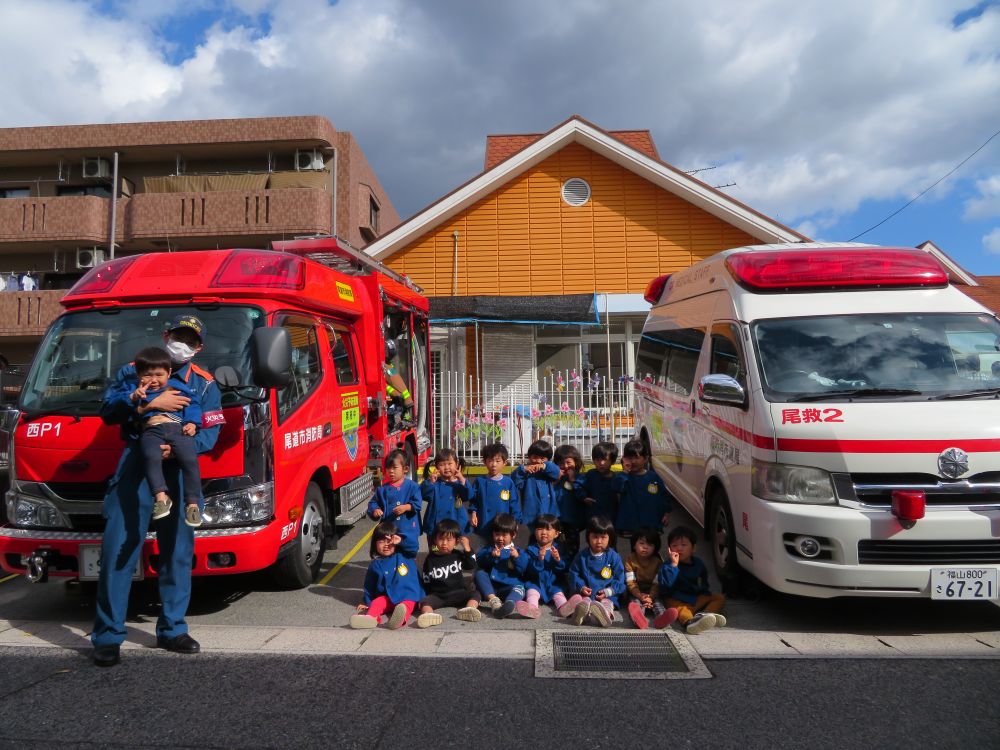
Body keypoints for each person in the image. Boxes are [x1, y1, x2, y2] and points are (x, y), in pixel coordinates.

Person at [91, 315, 223, 667]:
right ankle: (107, 636)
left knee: (178, 552)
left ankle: (173, 629)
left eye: (190, 340)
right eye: (177, 336)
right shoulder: (131, 370)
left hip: (178, 468)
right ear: (166, 336)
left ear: (199, 348)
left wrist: (180, 447)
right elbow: (107, 410)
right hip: (136, 465)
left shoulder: (206, 385)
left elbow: (211, 431)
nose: (182, 344)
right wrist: (148, 405)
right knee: (119, 547)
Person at [351, 521, 424, 629]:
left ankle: (399, 620)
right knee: (377, 603)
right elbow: (369, 585)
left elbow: (413, 545)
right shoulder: (375, 564)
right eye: (381, 541)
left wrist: (401, 540)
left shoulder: (404, 554)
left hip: (409, 594)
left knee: (405, 606)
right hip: (389, 596)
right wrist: (367, 601)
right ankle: (370, 618)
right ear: (374, 544)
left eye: (389, 541)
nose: (386, 545)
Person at [658, 526, 727, 635]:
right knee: (682, 610)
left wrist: (703, 591)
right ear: (669, 549)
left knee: (719, 598)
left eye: (683, 545)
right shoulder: (668, 565)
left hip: (694, 597)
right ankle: (690, 623)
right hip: (676, 598)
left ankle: (705, 615)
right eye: (674, 545)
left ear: (693, 548)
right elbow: (665, 585)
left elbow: (703, 581)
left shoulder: (698, 563)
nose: (679, 548)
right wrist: (674, 566)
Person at [417, 519, 481, 627]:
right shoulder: (431, 558)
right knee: (424, 602)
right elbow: (426, 578)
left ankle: (470, 609)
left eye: (449, 540)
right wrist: (428, 594)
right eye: (441, 539)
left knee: (475, 594)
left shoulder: (457, 555)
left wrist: (467, 548)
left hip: (458, 592)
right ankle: (428, 615)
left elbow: (471, 565)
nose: (444, 543)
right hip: (439, 596)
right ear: (435, 540)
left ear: (456, 542)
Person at [566, 515, 626, 628]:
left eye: (603, 537)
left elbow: (620, 579)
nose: (599, 541)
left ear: (610, 538)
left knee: (607, 604)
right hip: (587, 593)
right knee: (584, 603)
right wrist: (581, 587)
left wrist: (608, 591)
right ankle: (583, 616)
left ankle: (605, 616)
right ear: (588, 537)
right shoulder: (582, 556)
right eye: (595, 537)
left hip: (607, 595)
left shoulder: (614, 557)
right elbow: (573, 573)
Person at [613, 439, 672, 541]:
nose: (633, 461)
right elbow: (616, 487)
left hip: (650, 522)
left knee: (651, 548)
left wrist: (666, 513)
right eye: (630, 458)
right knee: (636, 548)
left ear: (645, 459)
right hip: (631, 524)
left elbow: (663, 495)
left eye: (636, 457)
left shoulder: (653, 477)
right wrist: (625, 472)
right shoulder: (623, 477)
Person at [367, 449, 422, 558]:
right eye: (388, 468)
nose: (391, 471)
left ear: (405, 469)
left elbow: (417, 503)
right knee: (390, 555)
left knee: (409, 554)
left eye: (395, 467)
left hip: (408, 528)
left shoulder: (412, 486)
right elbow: (373, 503)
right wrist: (375, 510)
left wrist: (406, 507)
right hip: (389, 531)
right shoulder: (382, 490)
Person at [474, 513, 529, 618]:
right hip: (491, 588)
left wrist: (516, 557)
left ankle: (510, 603)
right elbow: (479, 560)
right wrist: (491, 556)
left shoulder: (518, 551)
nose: (500, 538)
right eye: (497, 534)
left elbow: (522, 569)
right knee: (480, 573)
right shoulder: (489, 549)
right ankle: (494, 601)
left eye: (504, 535)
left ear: (513, 535)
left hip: (509, 586)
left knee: (520, 587)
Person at [624, 527, 678, 630]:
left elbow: (657, 583)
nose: (645, 547)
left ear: (655, 548)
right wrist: (640, 596)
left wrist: (651, 597)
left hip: (653, 591)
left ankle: (661, 619)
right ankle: (639, 619)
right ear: (634, 545)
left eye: (650, 545)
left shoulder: (658, 562)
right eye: (642, 543)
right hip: (636, 591)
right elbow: (630, 582)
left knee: (658, 603)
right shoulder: (630, 559)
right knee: (634, 603)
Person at [518, 514, 570, 619]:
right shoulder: (530, 549)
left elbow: (564, 568)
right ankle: (532, 608)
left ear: (556, 534)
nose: (544, 532)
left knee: (558, 593)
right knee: (532, 592)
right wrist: (540, 559)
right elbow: (529, 569)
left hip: (553, 583)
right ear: (535, 532)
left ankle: (565, 608)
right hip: (535, 582)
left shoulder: (559, 548)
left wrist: (558, 559)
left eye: (548, 529)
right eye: (540, 529)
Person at [469, 442, 521, 547]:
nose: (494, 464)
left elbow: (514, 504)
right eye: (490, 461)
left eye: (498, 461)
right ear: (485, 462)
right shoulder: (479, 481)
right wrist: (473, 514)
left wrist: (515, 522)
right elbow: (473, 501)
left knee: (504, 553)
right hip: (484, 523)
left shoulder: (508, 482)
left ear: (504, 462)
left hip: (503, 527)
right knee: (484, 551)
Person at [420, 448, 472, 543]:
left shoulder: (459, 483)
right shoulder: (435, 483)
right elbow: (422, 494)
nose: (446, 467)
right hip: (435, 527)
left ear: (457, 464)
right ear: (436, 467)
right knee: (435, 553)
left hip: (455, 525)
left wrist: (462, 479)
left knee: (452, 553)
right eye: (442, 464)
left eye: (449, 463)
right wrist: (430, 482)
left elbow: (468, 495)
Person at [512, 439, 560, 526]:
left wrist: (545, 466)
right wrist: (523, 470)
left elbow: (556, 472)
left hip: (549, 514)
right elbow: (514, 481)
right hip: (530, 517)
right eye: (535, 457)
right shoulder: (526, 472)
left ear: (548, 459)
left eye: (542, 458)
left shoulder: (548, 470)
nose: (538, 461)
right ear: (529, 457)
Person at [553, 444, 586, 560]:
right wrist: (556, 480)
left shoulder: (580, 478)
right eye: (561, 463)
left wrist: (573, 480)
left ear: (576, 462)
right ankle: (559, 570)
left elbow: (581, 494)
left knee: (572, 548)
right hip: (557, 520)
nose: (565, 466)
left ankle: (570, 571)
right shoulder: (555, 479)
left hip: (572, 521)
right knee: (556, 548)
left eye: (569, 462)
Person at [582, 442, 619, 524]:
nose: (601, 463)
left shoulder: (616, 478)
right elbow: (582, 488)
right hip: (593, 517)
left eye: (605, 460)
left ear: (612, 461)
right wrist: (584, 497)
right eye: (598, 460)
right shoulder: (590, 475)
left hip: (611, 518)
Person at [383, 339, 414, 425]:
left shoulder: (387, 368)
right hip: (402, 400)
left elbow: (395, 383)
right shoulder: (389, 368)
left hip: (399, 400)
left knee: (395, 409)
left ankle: (399, 419)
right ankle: (404, 418)